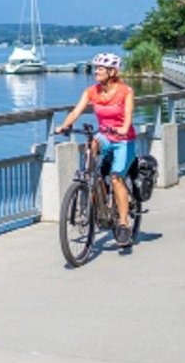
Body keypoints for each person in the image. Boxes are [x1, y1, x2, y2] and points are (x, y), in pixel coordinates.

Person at [55, 52, 138, 245]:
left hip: (123, 139)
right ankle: (90, 179)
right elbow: (76, 111)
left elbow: (128, 116)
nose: (96, 71)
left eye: (101, 68)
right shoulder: (91, 92)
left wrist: (123, 128)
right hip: (105, 136)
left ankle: (124, 224)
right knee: (91, 144)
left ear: (112, 72)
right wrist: (64, 125)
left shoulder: (126, 91)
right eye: (96, 68)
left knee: (117, 178)